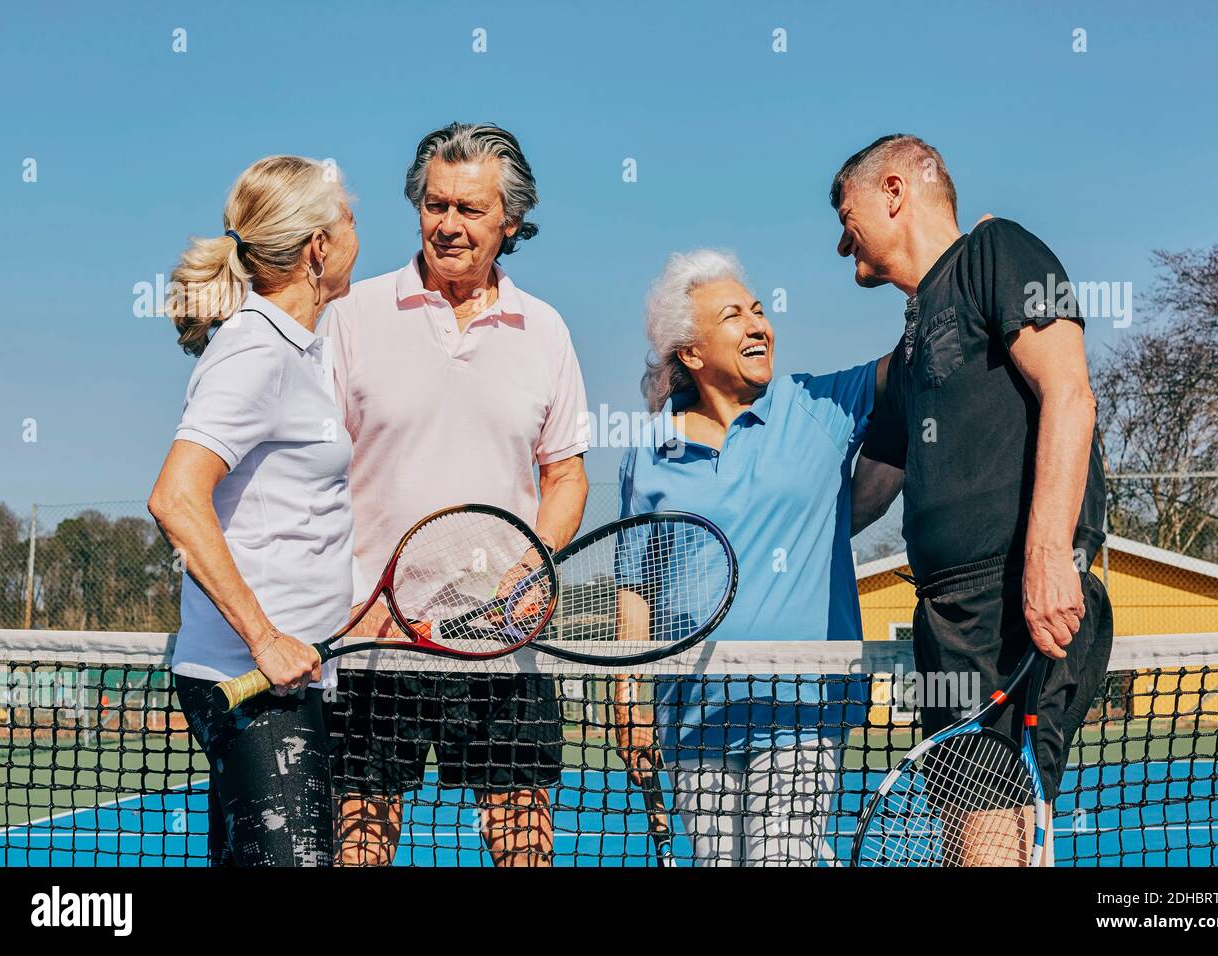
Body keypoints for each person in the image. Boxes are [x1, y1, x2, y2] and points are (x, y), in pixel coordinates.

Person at [838, 134, 1114, 866]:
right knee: (970, 834)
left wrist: (1049, 557)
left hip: (1015, 603)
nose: (843, 242)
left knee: (990, 838)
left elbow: (1070, 394)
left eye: (847, 212)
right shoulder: (910, 344)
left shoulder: (998, 250)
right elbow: (880, 475)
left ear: (894, 190)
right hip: (946, 616)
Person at [326, 123, 590, 867]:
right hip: (374, 642)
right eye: (435, 204)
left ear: (510, 221)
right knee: (360, 854)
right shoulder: (353, 317)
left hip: (502, 647)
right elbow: (317, 469)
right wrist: (346, 593)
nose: (448, 225)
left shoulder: (547, 331)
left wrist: (533, 569)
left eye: (470, 210)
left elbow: (566, 475)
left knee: (523, 854)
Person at [614, 249, 882, 866]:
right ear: (692, 352)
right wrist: (627, 698)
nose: (758, 325)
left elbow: (914, 364)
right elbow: (636, 587)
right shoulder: (649, 451)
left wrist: (953, 267)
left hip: (801, 710)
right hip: (693, 722)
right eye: (733, 316)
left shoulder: (821, 406)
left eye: (759, 312)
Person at [148, 155, 360, 866]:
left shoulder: (295, 350)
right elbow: (176, 497)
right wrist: (266, 638)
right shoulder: (255, 349)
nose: (360, 232)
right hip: (255, 685)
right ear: (317, 249)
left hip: (282, 683)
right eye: (351, 219)